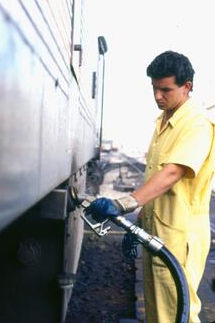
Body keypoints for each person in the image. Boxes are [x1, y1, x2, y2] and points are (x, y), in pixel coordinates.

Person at [86, 50, 215, 323]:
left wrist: (124, 203)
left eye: (165, 89)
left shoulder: (197, 124)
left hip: (180, 236)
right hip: (159, 231)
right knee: (159, 311)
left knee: (177, 311)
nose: (158, 96)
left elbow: (172, 172)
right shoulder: (163, 121)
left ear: (187, 86)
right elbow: (155, 177)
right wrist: (140, 221)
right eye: (154, 89)